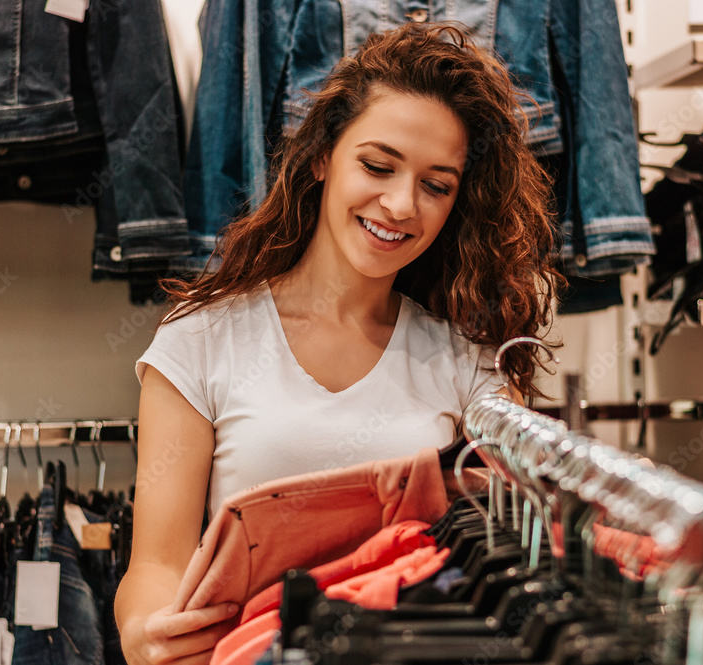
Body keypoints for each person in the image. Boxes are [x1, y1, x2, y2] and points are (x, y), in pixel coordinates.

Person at [114, 22, 561, 665]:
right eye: (377, 165)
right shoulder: (201, 339)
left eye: (437, 185)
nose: (402, 204)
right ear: (322, 156)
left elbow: (510, 553)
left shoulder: (469, 363)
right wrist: (146, 629)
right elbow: (157, 561)